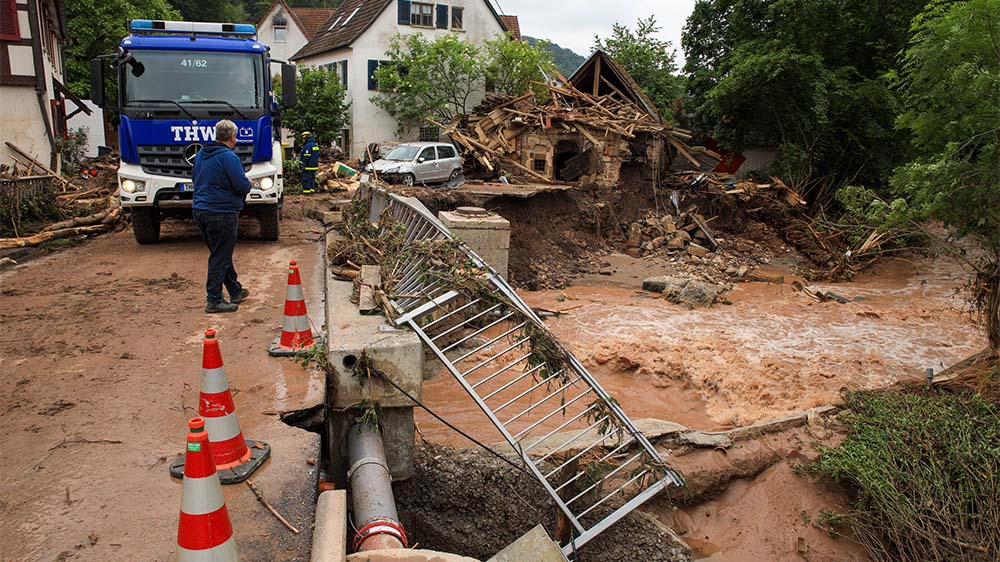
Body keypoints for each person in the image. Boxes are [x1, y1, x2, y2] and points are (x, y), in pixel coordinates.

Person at [192, 119, 251, 313]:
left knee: (220, 253)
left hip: (201, 210)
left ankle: (235, 289)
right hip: (222, 212)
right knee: (220, 256)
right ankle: (214, 299)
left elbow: (195, 178)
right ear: (233, 136)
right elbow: (241, 185)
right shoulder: (229, 157)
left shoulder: (201, 154)